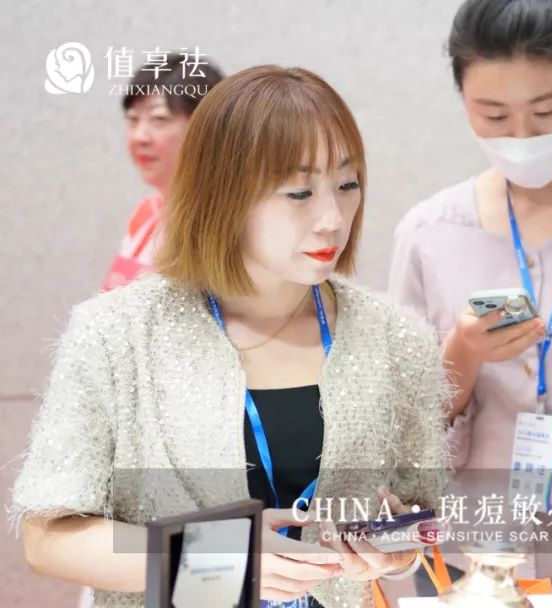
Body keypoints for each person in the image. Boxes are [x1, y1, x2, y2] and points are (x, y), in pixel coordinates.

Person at [12, 65, 449, 608]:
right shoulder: (116, 333)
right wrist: (218, 557)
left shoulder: (396, 338)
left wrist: (391, 549)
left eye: (347, 185)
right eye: (298, 192)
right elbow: (48, 537)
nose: (332, 219)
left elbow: (418, 515)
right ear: (223, 193)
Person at [388, 0, 552, 582]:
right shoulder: (430, 234)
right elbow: (401, 431)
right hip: (471, 559)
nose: (523, 136)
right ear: (463, 100)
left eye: (546, 110)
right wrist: (462, 353)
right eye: (494, 114)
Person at [103, 52, 225, 291]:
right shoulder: (147, 215)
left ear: (205, 127)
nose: (140, 137)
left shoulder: (223, 225)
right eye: (133, 120)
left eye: (159, 119)